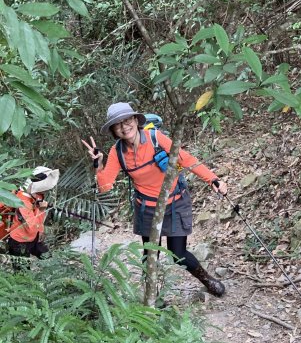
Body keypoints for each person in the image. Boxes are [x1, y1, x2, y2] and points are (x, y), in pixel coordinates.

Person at [82, 102, 228, 296]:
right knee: (151, 255)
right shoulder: (117, 152)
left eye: (127, 121)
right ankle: (153, 297)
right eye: (118, 125)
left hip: (175, 201)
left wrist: (213, 179)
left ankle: (208, 280)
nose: (125, 127)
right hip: (147, 209)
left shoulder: (155, 138)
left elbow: (186, 159)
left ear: (135, 120)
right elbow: (105, 187)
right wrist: (98, 164)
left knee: (179, 253)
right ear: (114, 131)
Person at [7, 166, 60, 259]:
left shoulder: (36, 196)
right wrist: (41, 210)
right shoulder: (22, 202)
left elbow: (37, 224)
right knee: (22, 271)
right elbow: (31, 225)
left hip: (34, 237)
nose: (43, 192)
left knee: (48, 258)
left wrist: (40, 231)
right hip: (19, 241)